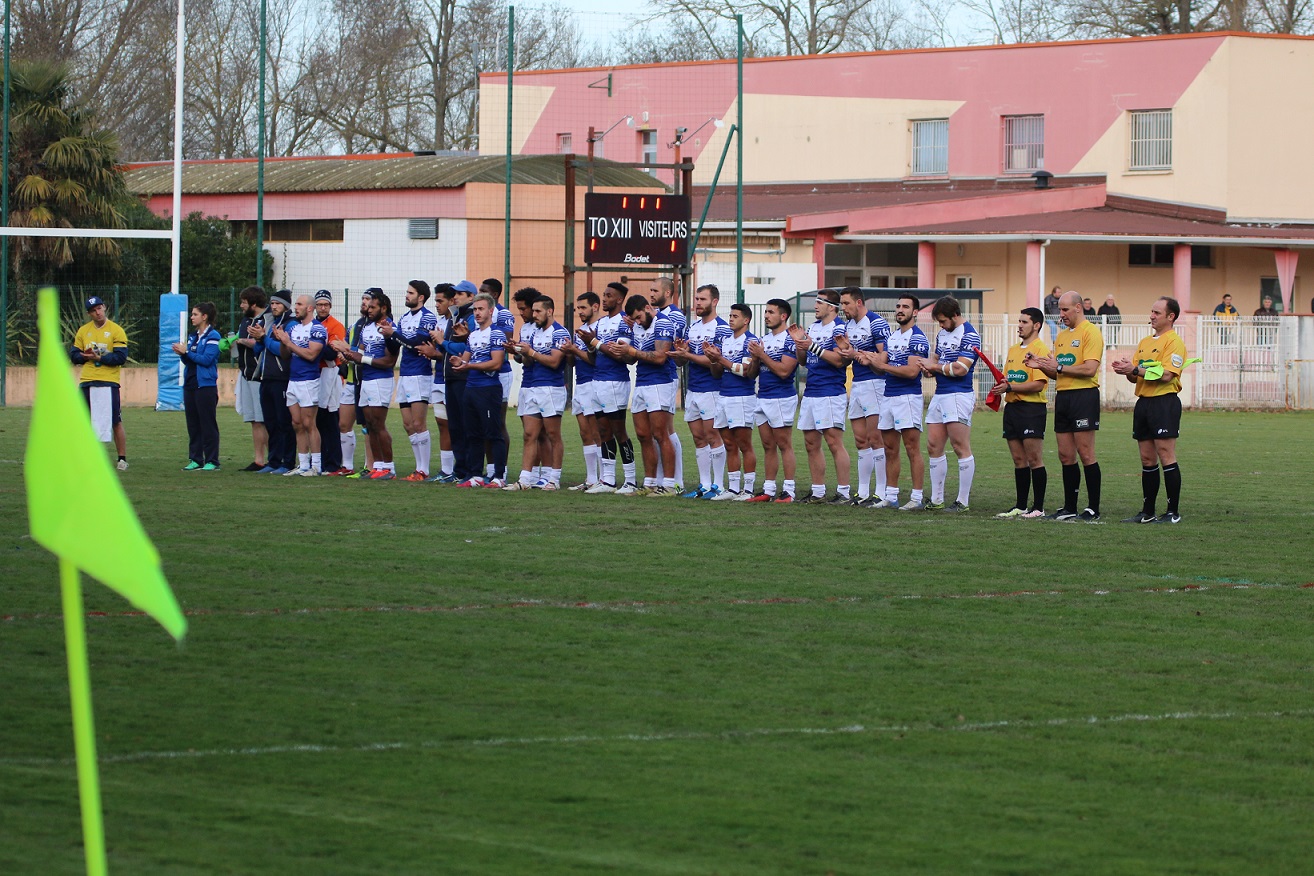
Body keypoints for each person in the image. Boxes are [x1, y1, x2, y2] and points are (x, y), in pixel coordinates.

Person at [1026, 290, 1104, 522]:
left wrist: (1059, 367)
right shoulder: (1060, 336)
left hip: (1084, 397)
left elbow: (1089, 369)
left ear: (1078, 307)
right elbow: (1056, 372)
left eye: (1065, 309)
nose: (1061, 314)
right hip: (1063, 397)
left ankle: (1093, 508)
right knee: (1065, 454)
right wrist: (1040, 365)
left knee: (1086, 453)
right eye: (1060, 309)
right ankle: (1070, 506)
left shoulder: (1091, 332)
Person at [1114, 297, 1188, 524]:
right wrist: (1127, 369)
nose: (1152, 316)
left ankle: (1173, 512)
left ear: (1171, 317)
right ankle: (1147, 512)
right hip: (1144, 403)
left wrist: (1135, 369)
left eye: (1157, 312)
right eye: (1152, 312)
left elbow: (1167, 375)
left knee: (1166, 455)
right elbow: (1135, 375)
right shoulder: (1145, 342)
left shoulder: (1174, 342)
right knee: (1147, 458)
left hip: (1164, 403)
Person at [786, 288, 851, 505]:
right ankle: (818, 492)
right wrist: (799, 344)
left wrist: (811, 345)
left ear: (832, 307)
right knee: (811, 443)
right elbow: (803, 361)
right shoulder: (813, 327)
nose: (815, 306)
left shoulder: (839, 328)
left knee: (834, 442)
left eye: (820, 302)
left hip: (830, 391)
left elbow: (839, 360)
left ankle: (843, 492)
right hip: (811, 391)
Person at [917, 296, 980, 513]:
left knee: (960, 446)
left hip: (959, 395)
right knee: (933, 445)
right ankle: (937, 500)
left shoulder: (970, 335)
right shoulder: (942, 333)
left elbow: (960, 369)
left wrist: (934, 367)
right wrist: (928, 369)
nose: (941, 325)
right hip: (940, 394)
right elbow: (936, 360)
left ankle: (962, 501)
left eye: (943, 321)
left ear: (955, 315)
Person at [504, 291, 570, 490]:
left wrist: (530, 352)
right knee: (529, 434)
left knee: (552, 435)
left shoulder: (559, 332)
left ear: (549, 311)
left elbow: (555, 362)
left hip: (551, 388)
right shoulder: (534, 332)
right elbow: (528, 361)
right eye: (533, 311)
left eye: (538, 311)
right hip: (532, 387)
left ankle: (553, 479)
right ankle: (525, 479)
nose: (534, 315)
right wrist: (518, 351)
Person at [577, 282, 638, 494]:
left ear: (619, 299)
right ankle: (608, 480)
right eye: (604, 295)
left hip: (615, 381)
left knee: (619, 431)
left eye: (609, 295)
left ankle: (630, 480)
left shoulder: (624, 322)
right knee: (603, 431)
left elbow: (620, 354)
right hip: (597, 380)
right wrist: (589, 344)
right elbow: (595, 355)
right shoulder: (601, 323)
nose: (604, 299)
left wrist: (593, 342)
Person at [671, 283, 731, 498]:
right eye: (696, 299)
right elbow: (682, 362)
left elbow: (716, 360)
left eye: (702, 299)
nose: (698, 303)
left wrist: (688, 355)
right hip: (693, 389)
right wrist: (680, 353)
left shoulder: (722, 328)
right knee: (698, 438)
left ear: (714, 302)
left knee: (713, 436)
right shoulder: (692, 328)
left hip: (712, 389)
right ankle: (704, 485)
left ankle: (718, 485)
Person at [615, 294, 678, 496]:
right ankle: (649, 483)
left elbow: (660, 357)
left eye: (639, 317)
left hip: (660, 383)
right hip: (641, 382)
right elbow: (632, 360)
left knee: (661, 434)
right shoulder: (636, 326)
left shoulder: (663, 323)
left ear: (647, 308)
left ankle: (669, 484)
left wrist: (632, 352)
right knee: (643, 435)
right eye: (634, 319)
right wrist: (621, 352)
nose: (638, 322)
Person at [992, 308, 1050, 519]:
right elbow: (1008, 379)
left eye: (1024, 322)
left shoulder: (1040, 349)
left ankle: (1039, 507)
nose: (1019, 325)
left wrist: (1011, 387)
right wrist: (1002, 386)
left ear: (1036, 325)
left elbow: (1038, 384)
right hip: (1012, 409)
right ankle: (1021, 505)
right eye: (1019, 321)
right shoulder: (1013, 350)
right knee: (1018, 459)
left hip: (1032, 409)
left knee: (1034, 459)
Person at [337, 292, 400, 479]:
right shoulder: (367, 328)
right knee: (369, 425)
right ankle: (377, 467)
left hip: (381, 380)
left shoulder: (390, 328)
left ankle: (389, 467)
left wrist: (361, 358)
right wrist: (347, 354)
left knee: (379, 424)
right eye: (368, 306)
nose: (368, 310)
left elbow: (389, 361)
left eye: (373, 307)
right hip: (366, 380)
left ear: (383, 308)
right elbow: (360, 353)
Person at [875, 294, 929, 510]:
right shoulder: (892, 336)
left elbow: (912, 371)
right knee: (889, 448)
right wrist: (864, 357)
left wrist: (883, 366)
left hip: (908, 397)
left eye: (905, 307)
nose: (900, 310)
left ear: (915, 312)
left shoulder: (918, 338)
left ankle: (916, 498)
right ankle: (891, 496)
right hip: (888, 396)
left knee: (911, 448)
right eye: (898, 306)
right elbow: (880, 366)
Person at [838, 287, 891, 506]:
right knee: (860, 440)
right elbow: (848, 358)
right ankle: (862, 491)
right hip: (857, 384)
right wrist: (845, 352)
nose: (843, 308)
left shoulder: (876, 323)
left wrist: (856, 354)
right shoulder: (848, 326)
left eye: (846, 303)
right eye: (841, 304)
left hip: (875, 384)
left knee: (876, 438)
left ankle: (881, 491)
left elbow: (884, 357)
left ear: (858, 302)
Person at [451, 292, 510, 487]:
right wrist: (458, 362)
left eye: (481, 309)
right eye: (475, 309)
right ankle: (475, 475)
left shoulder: (496, 333)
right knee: (472, 433)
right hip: (471, 388)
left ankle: (499, 476)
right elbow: (466, 360)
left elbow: (496, 363)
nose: (477, 313)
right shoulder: (473, 335)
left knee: (493, 433)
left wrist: (468, 366)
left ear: (491, 311)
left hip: (488, 389)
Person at [382, 280, 438, 480]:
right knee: (408, 424)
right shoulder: (404, 318)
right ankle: (418, 467)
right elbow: (397, 344)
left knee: (418, 423)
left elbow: (417, 345)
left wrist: (394, 334)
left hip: (419, 374)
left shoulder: (428, 317)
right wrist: (387, 334)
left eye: (410, 293)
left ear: (421, 297)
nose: (406, 295)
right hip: (405, 374)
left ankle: (424, 469)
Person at [746, 298, 799, 503]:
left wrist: (762, 355)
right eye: (766, 312)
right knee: (767, 445)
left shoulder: (790, 340)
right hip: (763, 397)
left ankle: (789, 491)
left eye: (771, 312)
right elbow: (752, 374)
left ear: (783, 316)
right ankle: (768, 490)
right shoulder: (763, 340)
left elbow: (784, 371)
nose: (766, 316)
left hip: (781, 397)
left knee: (784, 444)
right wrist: (755, 359)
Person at [705, 302, 758, 501]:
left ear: (746, 320)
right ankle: (734, 488)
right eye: (730, 316)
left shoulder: (750, 341)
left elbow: (745, 371)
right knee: (729, 443)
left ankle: (749, 489)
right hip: (724, 396)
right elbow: (716, 373)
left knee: (744, 444)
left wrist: (721, 359)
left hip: (742, 397)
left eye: (735, 316)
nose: (731, 319)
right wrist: (712, 359)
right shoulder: (725, 340)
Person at [70, 295, 130, 470]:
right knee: (83, 420)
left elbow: (120, 357)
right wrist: (84, 356)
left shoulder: (116, 330)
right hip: (87, 381)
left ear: (104, 307)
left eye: (99, 308)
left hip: (108, 382)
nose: (97, 313)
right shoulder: (83, 331)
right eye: (93, 311)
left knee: (115, 421)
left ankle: (122, 459)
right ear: (89, 314)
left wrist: (100, 358)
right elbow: (73, 355)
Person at [272, 293, 328, 476]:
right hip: (293, 380)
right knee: (296, 423)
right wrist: (282, 342)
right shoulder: (295, 328)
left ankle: (316, 466)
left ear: (310, 308)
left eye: (299, 304)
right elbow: (285, 355)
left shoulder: (317, 329)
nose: (295, 307)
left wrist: (289, 343)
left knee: (309, 423)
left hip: (308, 381)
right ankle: (303, 465)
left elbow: (311, 355)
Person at [328, 290, 375, 476]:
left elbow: (368, 353)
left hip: (367, 380)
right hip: (350, 380)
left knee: (368, 426)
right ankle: (347, 466)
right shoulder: (356, 325)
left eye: (368, 299)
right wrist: (343, 354)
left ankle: (370, 466)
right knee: (343, 424)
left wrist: (346, 349)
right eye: (363, 299)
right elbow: (347, 347)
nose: (364, 302)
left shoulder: (378, 326)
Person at [560, 291, 603, 490]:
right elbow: (574, 363)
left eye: (583, 307)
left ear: (595, 307)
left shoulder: (600, 328)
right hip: (581, 384)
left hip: (595, 384)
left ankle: (604, 478)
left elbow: (595, 360)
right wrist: (569, 352)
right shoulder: (580, 331)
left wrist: (575, 350)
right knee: (585, 433)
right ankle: (591, 479)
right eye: (578, 308)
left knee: (597, 433)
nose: (580, 312)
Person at [173, 302, 222, 471]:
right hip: (191, 384)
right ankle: (195, 459)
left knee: (207, 423)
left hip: (205, 386)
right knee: (193, 424)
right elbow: (190, 360)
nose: (192, 317)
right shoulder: (193, 336)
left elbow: (207, 360)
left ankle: (212, 460)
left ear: (204, 317)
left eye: (195, 314)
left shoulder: (213, 336)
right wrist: (182, 354)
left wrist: (187, 352)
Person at [250, 291, 295, 474]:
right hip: (266, 377)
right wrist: (258, 338)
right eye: (272, 303)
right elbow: (259, 350)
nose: (274, 306)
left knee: (284, 422)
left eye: (278, 303)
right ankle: (274, 461)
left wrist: (264, 338)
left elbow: (283, 350)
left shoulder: (290, 324)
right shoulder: (271, 323)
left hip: (281, 378)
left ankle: (287, 461)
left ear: (286, 306)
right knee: (270, 422)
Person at [648, 276, 687, 490]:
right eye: (651, 290)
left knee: (667, 429)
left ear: (668, 293)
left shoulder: (675, 316)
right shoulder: (655, 314)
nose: (651, 294)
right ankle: (660, 480)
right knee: (656, 431)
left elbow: (671, 343)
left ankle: (676, 481)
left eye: (655, 290)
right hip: (652, 377)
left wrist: (653, 318)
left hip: (667, 375)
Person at [480, 277, 516, 481]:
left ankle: (502, 469)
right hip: (482, 374)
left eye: (484, 290)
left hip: (501, 373)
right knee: (485, 424)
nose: (480, 292)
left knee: (498, 422)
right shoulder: (480, 312)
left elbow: (506, 339)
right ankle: (491, 469)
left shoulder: (503, 314)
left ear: (494, 294)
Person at [232, 287, 268, 471]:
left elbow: (263, 342)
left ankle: (275, 458)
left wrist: (243, 341)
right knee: (253, 419)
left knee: (264, 419)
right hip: (246, 374)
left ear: (253, 304)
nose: (241, 305)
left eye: (244, 302)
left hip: (259, 375)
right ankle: (259, 459)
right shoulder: (245, 320)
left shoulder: (267, 319)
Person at [313, 290, 345, 476]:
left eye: (326, 305)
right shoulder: (311, 324)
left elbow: (332, 352)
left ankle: (333, 462)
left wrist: (314, 344)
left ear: (330, 306)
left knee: (330, 418)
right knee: (315, 419)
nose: (323, 308)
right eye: (319, 304)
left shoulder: (335, 326)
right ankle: (318, 459)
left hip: (330, 373)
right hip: (314, 373)